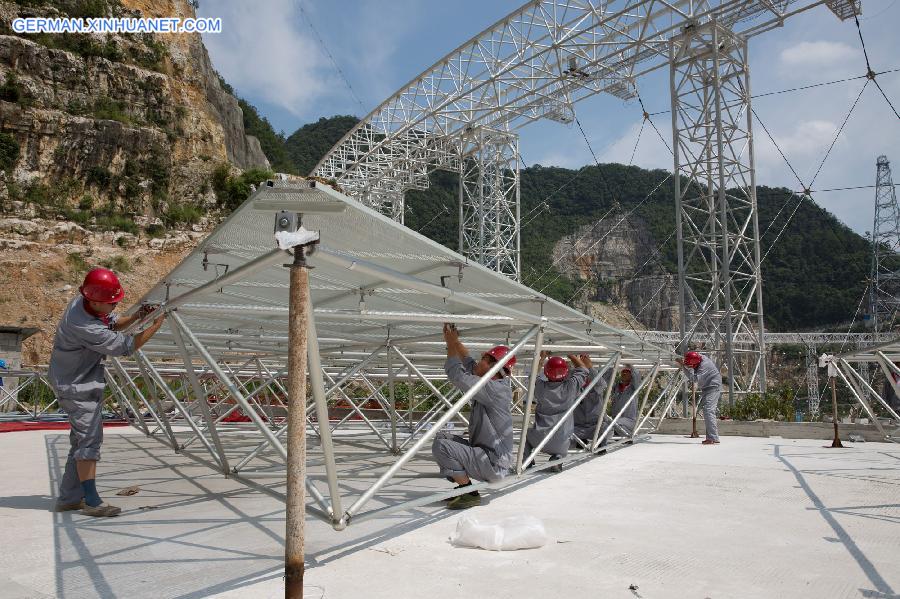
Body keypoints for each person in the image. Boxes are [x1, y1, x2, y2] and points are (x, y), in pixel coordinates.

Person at [49, 267, 166, 516]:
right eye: (111, 303)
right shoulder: (84, 325)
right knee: (89, 441)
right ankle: (91, 502)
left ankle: (70, 499)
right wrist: (157, 323)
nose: (114, 306)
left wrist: (136, 317)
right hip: (76, 386)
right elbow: (126, 346)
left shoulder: (84, 304)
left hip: (74, 380)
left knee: (80, 443)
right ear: (93, 300)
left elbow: (112, 323)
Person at [432, 323, 515, 510]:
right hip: (484, 455)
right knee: (443, 437)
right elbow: (466, 359)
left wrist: (450, 343)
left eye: (484, 360)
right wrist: (454, 340)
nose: (479, 363)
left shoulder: (494, 389)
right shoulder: (487, 381)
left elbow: (457, 375)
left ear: (496, 368)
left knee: (442, 446)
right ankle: (464, 486)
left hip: (492, 463)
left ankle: (468, 493)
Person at [524, 352, 589, 472]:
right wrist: (571, 355)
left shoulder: (540, 388)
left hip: (539, 439)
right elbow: (583, 370)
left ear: (546, 372)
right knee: (564, 445)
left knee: (526, 436)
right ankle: (557, 458)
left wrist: (542, 357)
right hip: (561, 441)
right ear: (565, 372)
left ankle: (525, 460)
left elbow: (533, 375)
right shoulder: (571, 387)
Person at [676, 351, 722, 445]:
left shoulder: (703, 366)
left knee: (708, 410)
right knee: (708, 411)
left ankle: (713, 438)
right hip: (707, 387)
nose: (691, 367)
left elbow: (694, 379)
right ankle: (713, 437)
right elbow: (691, 361)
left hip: (713, 387)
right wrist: (686, 363)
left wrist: (683, 366)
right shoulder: (698, 358)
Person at [572, 354, 610, 444]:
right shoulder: (574, 386)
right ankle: (581, 441)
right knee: (565, 430)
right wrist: (575, 362)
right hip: (579, 427)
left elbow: (603, 384)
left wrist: (590, 367)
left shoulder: (597, 387)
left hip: (596, 427)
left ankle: (600, 443)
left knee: (605, 428)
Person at [601, 364, 642, 439]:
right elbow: (606, 380)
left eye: (627, 372)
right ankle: (620, 434)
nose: (624, 373)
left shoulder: (634, 388)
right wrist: (612, 365)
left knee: (614, 423)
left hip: (630, 420)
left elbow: (637, 377)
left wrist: (629, 365)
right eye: (623, 371)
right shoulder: (616, 387)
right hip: (617, 419)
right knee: (604, 423)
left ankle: (628, 436)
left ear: (631, 375)